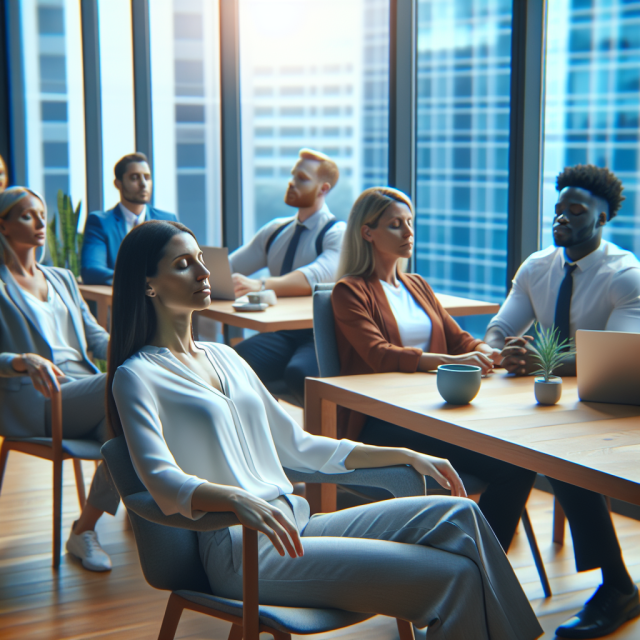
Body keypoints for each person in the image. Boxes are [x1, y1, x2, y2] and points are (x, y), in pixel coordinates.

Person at [106, 219, 542, 640]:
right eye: (183, 264)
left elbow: (297, 447)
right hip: (243, 551)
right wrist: (235, 497)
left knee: (462, 513)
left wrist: (400, 454)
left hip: (299, 525)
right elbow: (160, 481)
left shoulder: (227, 356)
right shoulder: (137, 375)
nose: (204, 272)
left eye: (201, 258)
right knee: (454, 575)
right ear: (149, 285)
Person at [330, 186, 537, 553]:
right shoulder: (349, 291)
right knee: (512, 468)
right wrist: (454, 363)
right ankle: (475, 567)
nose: (408, 233)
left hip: (435, 411)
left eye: (410, 223)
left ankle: (472, 566)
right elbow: (380, 354)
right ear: (367, 232)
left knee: (520, 461)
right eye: (396, 225)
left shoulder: (417, 285)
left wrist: (493, 353)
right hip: (382, 421)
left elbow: (459, 339)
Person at [484, 164, 640, 639]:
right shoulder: (538, 267)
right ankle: (481, 573)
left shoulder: (625, 275)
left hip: (613, 403)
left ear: (603, 216)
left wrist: (544, 362)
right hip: (553, 402)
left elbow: (614, 357)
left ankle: (616, 587)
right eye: (558, 210)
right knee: (513, 454)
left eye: (576, 210)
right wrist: (500, 350)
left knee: (550, 454)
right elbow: (500, 327)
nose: (562, 219)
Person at [0, 187, 119, 571]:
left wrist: (131, 345)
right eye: (25, 215)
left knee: (127, 435)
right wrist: (21, 360)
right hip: (38, 399)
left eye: (41, 214)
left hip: (84, 390)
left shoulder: (63, 278)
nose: (39, 222)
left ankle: (84, 530)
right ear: (2, 225)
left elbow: (95, 337)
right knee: (126, 386)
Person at [229, 148, 345, 406]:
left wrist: (258, 284)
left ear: (323, 188)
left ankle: (325, 439)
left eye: (302, 178)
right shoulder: (275, 230)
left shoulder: (337, 233)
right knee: (230, 364)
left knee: (299, 375)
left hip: (320, 334)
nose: (292, 182)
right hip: (282, 333)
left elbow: (313, 279)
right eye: (293, 175)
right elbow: (230, 267)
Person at [80, 152, 178, 285]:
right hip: (119, 301)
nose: (143, 184)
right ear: (118, 184)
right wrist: (140, 282)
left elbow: (181, 264)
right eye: (134, 177)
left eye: (147, 177)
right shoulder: (100, 222)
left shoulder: (167, 220)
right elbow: (91, 270)